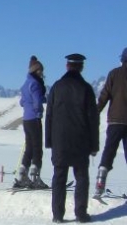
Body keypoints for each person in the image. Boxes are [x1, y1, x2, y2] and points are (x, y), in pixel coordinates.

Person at [45, 54, 99, 223]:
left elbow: (49, 116)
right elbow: (93, 119)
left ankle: (58, 215)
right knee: (81, 177)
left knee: (59, 176)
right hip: (81, 140)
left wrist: (49, 141)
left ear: (67, 66)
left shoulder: (57, 87)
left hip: (59, 140)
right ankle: (81, 214)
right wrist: (94, 144)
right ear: (81, 67)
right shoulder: (86, 89)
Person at [94, 47, 127, 198]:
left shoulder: (114, 74)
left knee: (109, 151)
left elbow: (104, 95)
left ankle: (101, 179)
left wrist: (95, 113)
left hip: (115, 121)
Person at [14, 56, 49, 189]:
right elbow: (37, 101)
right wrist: (39, 111)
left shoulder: (25, 84)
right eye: (41, 71)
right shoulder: (35, 84)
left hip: (26, 119)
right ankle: (36, 177)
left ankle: (23, 174)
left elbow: (22, 101)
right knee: (37, 148)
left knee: (29, 147)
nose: (42, 73)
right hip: (34, 118)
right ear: (37, 70)